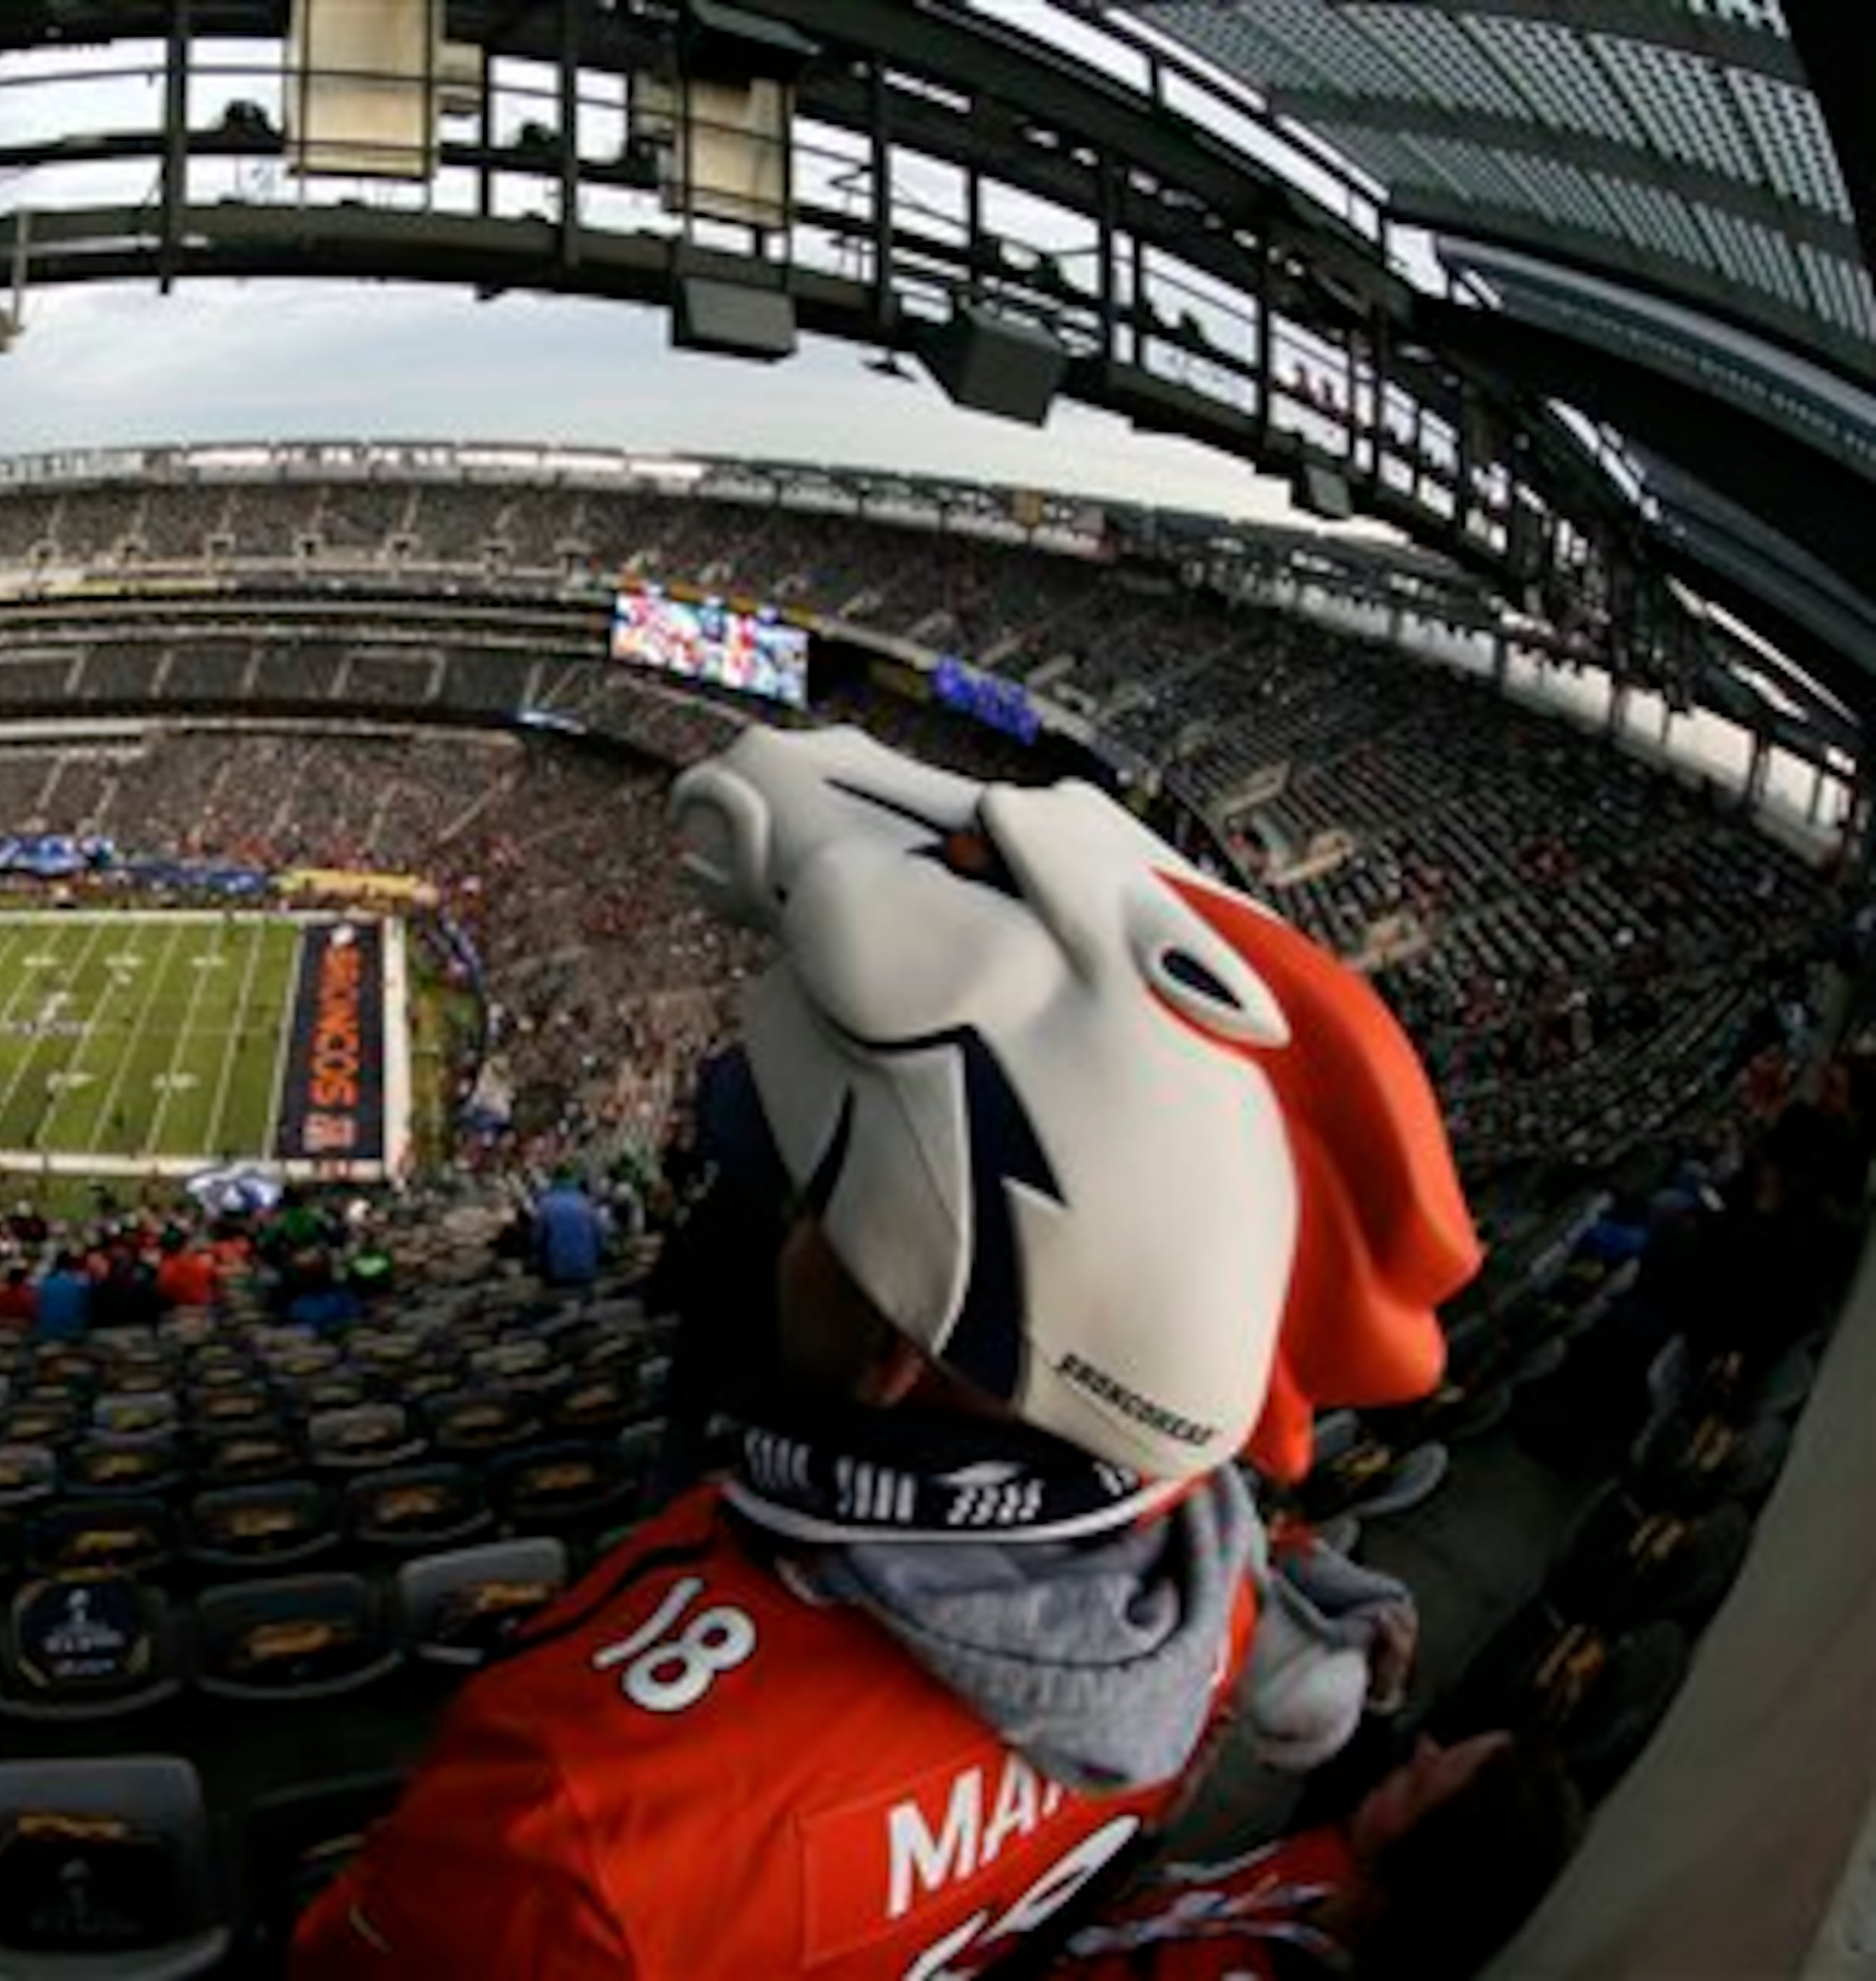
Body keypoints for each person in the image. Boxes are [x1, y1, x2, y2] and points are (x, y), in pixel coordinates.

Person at [293, 727, 1481, 1979]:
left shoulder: (565, 1816)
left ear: (892, 1356)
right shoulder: (1210, 1606)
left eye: (820, 1213)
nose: (789, 1230)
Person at [1051, 1731, 1582, 1977]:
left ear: (1402, 1877)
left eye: (1421, 1780)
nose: (1421, 1747)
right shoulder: (1339, 1866)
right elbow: (1348, 1774)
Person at [530, 1169, 606, 1287]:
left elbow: (537, 1240)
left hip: (556, 1274)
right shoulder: (587, 1203)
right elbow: (600, 1238)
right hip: (586, 1271)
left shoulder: (545, 1205)